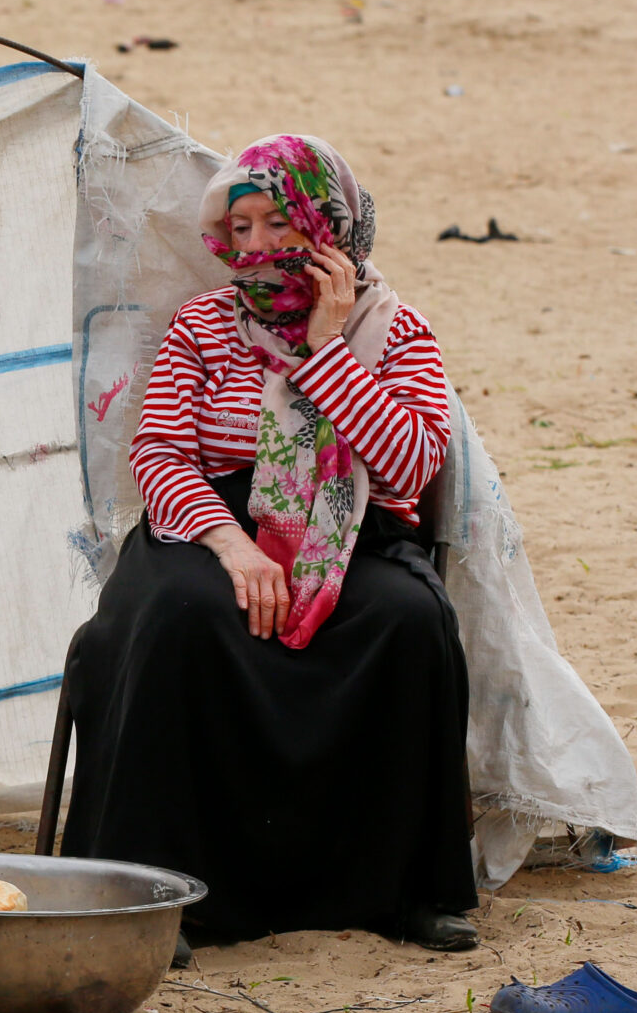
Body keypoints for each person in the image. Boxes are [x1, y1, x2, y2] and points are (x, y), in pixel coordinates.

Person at [63, 135, 476, 951]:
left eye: (275, 224)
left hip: (352, 529)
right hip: (211, 529)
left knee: (407, 620)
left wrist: (327, 350)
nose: (253, 249)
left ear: (329, 229)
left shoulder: (395, 332)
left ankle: (408, 892)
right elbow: (159, 456)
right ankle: (153, 893)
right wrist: (235, 546)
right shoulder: (203, 325)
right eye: (239, 228)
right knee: (180, 615)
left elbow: (411, 463)